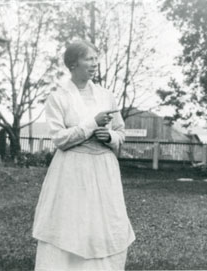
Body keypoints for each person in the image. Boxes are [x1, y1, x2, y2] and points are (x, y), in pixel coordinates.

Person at [32, 40, 135, 270]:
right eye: (88, 59)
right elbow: (59, 139)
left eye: (96, 59)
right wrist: (91, 124)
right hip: (72, 169)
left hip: (104, 169)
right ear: (72, 63)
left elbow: (120, 131)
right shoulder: (58, 97)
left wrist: (109, 137)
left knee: (105, 223)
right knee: (72, 224)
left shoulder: (106, 95)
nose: (94, 64)